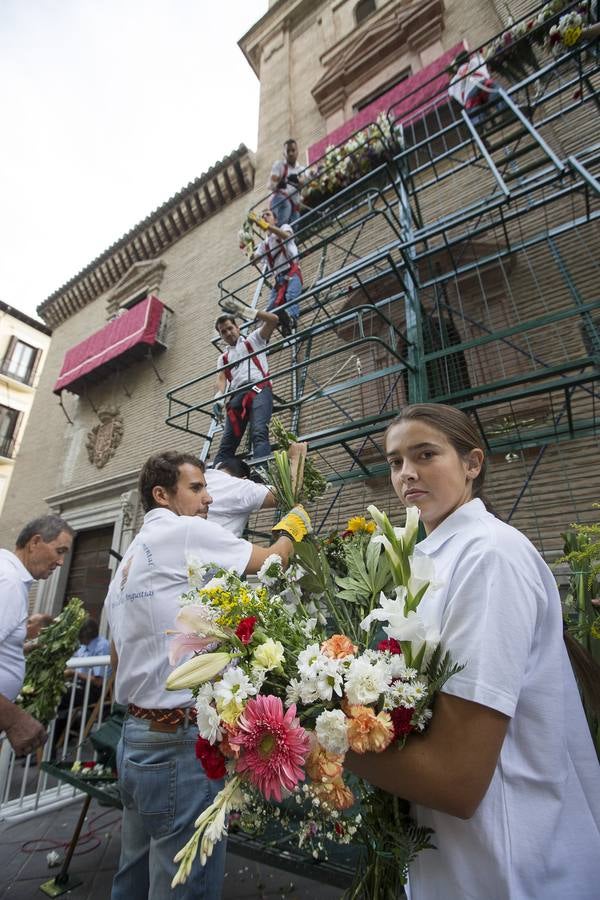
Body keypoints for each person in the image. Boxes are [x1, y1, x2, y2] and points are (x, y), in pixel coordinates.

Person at [347, 403, 600, 899]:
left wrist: (316, 740)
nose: (406, 474)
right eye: (395, 461)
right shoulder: (433, 555)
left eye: (425, 454)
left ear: (472, 463)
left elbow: (457, 780)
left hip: (510, 865)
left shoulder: (489, 557)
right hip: (461, 857)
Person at [106, 450, 311, 900]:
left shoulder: (125, 565)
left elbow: (116, 660)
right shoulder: (183, 532)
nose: (208, 499)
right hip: (176, 741)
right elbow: (272, 561)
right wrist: (294, 519)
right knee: (184, 885)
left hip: (135, 736)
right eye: (196, 488)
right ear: (162, 495)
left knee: (133, 874)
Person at [0, 515, 74, 756]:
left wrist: (22, 650)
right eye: (59, 551)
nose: (62, 562)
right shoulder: (8, 583)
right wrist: (13, 718)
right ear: (35, 542)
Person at [212, 309, 279, 465]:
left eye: (230, 328)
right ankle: (215, 482)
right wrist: (218, 398)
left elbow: (273, 320)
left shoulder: (254, 340)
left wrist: (246, 311)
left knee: (259, 432)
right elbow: (221, 377)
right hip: (237, 396)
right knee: (226, 445)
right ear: (221, 336)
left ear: (237, 327)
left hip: (259, 388)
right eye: (223, 332)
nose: (228, 333)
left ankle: (260, 476)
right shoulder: (223, 358)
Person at [249, 207, 302, 336]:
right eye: (262, 217)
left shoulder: (284, 227)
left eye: (267, 215)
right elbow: (254, 260)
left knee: (291, 296)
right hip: (278, 279)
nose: (264, 217)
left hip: (291, 271)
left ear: (275, 219)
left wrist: (268, 227)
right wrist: (247, 249)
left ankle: (291, 319)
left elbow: (286, 236)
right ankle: (265, 334)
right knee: (271, 308)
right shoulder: (263, 245)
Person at [448, 49, 504, 127]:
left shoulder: (453, 82)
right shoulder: (477, 60)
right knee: (496, 93)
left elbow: (453, 94)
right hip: (484, 85)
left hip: (470, 98)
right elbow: (487, 75)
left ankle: (479, 128)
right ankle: (506, 108)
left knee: (474, 112)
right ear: (468, 58)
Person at [267, 138, 304, 226]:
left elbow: (303, 182)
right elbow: (273, 179)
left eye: (293, 150)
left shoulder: (301, 169)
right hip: (280, 198)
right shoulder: (279, 165)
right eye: (288, 151)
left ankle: (287, 238)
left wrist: (298, 181)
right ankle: (277, 235)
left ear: (297, 152)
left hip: (294, 205)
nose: (291, 153)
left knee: (294, 224)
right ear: (284, 153)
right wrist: (282, 180)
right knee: (286, 205)